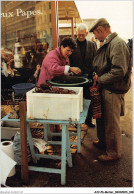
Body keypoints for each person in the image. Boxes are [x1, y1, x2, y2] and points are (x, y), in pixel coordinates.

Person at [89, 18, 132, 161]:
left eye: (95, 34)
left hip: (112, 89)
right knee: (103, 119)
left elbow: (119, 71)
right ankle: (104, 142)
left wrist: (100, 79)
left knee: (111, 123)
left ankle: (113, 152)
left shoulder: (117, 43)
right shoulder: (111, 43)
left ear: (101, 30)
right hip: (107, 87)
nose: (95, 37)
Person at [37, 37, 81, 134]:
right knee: (49, 112)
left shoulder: (64, 56)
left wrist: (71, 73)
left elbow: (64, 70)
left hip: (54, 86)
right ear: (61, 47)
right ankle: (52, 134)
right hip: (45, 87)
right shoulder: (52, 55)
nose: (69, 53)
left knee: (56, 110)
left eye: (71, 51)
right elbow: (53, 69)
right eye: (68, 50)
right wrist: (70, 69)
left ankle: (58, 130)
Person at [69, 23, 97, 128]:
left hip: (89, 77)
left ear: (86, 34)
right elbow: (69, 60)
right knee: (77, 100)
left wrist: (95, 72)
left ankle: (88, 120)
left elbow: (96, 60)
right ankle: (76, 121)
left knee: (89, 100)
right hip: (76, 78)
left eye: (83, 35)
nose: (81, 37)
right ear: (76, 33)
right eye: (79, 34)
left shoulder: (92, 45)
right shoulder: (72, 45)